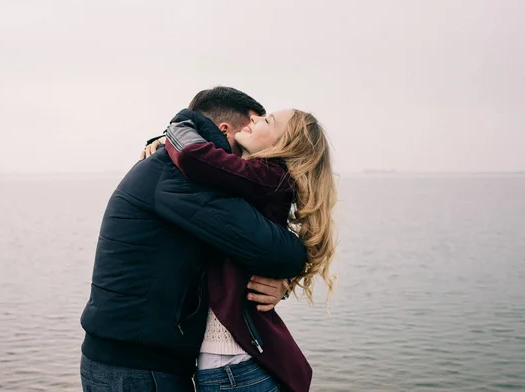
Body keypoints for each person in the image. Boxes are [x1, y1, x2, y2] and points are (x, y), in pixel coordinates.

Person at [79, 87, 308, 392]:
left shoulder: (170, 166)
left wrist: (281, 284)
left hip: (134, 357)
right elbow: (278, 250)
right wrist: (289, 269)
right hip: (138, 367)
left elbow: (237, 248)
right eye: (254, 123)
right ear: (226, 130)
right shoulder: (178, 176)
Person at [162, 107, 337, 391]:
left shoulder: (266, 177)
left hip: (232, 366)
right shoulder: (261, 181)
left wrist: (180, 122)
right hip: (236, 365)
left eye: (266, 120)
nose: (253, 118)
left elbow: (194, 158)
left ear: (283, 146)